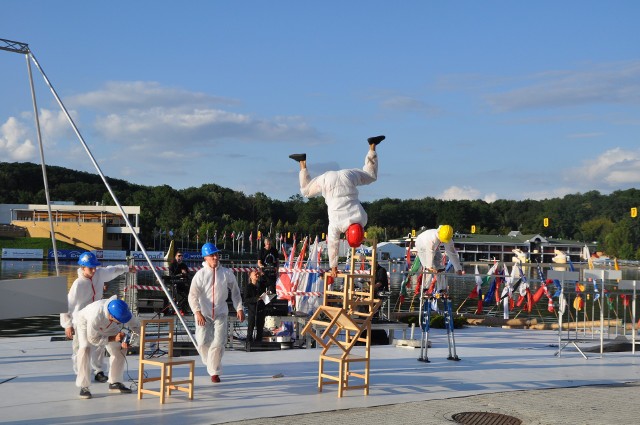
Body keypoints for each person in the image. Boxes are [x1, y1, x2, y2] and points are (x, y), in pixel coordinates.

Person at [290, 134, 385, 277]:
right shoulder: (337, 225)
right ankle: (302, 163)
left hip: (346, 176)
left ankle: (372, 146)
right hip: (332, 180)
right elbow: (333, 244)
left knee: (370, 176)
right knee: (306, 192)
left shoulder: (362, 219)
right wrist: (333, 266)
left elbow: (358, 227)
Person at [59, 251, 135, 384]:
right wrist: (68, 324)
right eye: (90, 268)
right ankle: (81, 372)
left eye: (95, 267)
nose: (94, 270)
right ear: (82, 267)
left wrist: (127, 268)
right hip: (81, 319)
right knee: (81, 347)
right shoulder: (78, 284)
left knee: (100, 346)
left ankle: (99, 371)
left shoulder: (99, 274)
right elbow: (67, 304)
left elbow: (112, 270)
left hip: (99, 315)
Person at [188, 243, 245, 383]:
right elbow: (192, 295)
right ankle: (211, 364)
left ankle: (215, 372)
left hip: (221, 312)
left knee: (219, 342)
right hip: (204, 313)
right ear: (205, 258)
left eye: (216, 254)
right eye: (212, 255)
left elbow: (236, 292)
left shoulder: (226, 273)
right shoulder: (200, 275)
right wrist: (197, 312)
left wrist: (239, 308)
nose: (215, 257)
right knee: (201, 342)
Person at [74, 295, 139, 399]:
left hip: (108, 324)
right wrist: (113, 338)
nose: (122, 323)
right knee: (85, 348)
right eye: (120, 321)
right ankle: (84, 386)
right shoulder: (95, 316)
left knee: (120, 348)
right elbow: (93, 340)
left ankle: (115, 382)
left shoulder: (122, 311)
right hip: (85, 323)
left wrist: (131, 340)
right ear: (112, 317)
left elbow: (136, 326)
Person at [243, 270, 268, 346]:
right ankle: (249, 344)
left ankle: (259, 343)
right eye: (255, 274)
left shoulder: (261, 285)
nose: (257, 276)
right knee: (251, 328)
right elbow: (246, 300)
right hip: (252, 310)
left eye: (257, 274)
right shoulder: (248, 287)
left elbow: (268, 282)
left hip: (261, 309)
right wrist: (256, 299)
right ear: (250, 276)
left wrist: (263, 275)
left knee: (260, 328)